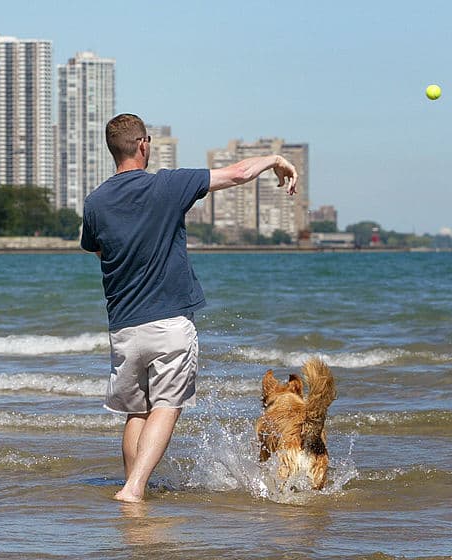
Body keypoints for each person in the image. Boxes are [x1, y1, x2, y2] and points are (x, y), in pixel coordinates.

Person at [80, 113, 298, 503]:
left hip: (124, 325)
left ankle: (132, 484)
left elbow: (99, 251)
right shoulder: (168, 185)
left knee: (136, 412)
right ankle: (134, 488)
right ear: (143, 144)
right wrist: (274, 160)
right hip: (169, 322)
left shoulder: (95, 202)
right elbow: (237, 173)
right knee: (166, 405)